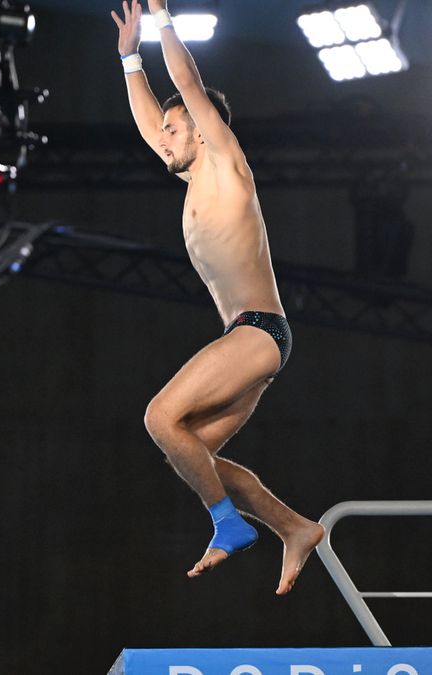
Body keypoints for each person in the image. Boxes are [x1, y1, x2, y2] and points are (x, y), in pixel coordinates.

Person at [110, 0, 325, 595]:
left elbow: (185, 84)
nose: (163, 138)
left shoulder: (227, 164)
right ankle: (294, 527)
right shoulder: (191, 176)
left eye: (174, 129)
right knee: (192, 453)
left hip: (257, 330)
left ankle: (227, 526)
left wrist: (160, 18)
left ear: (204, 130)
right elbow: (154, 117)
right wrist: (129, 58)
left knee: (159, 416)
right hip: (254, 337)